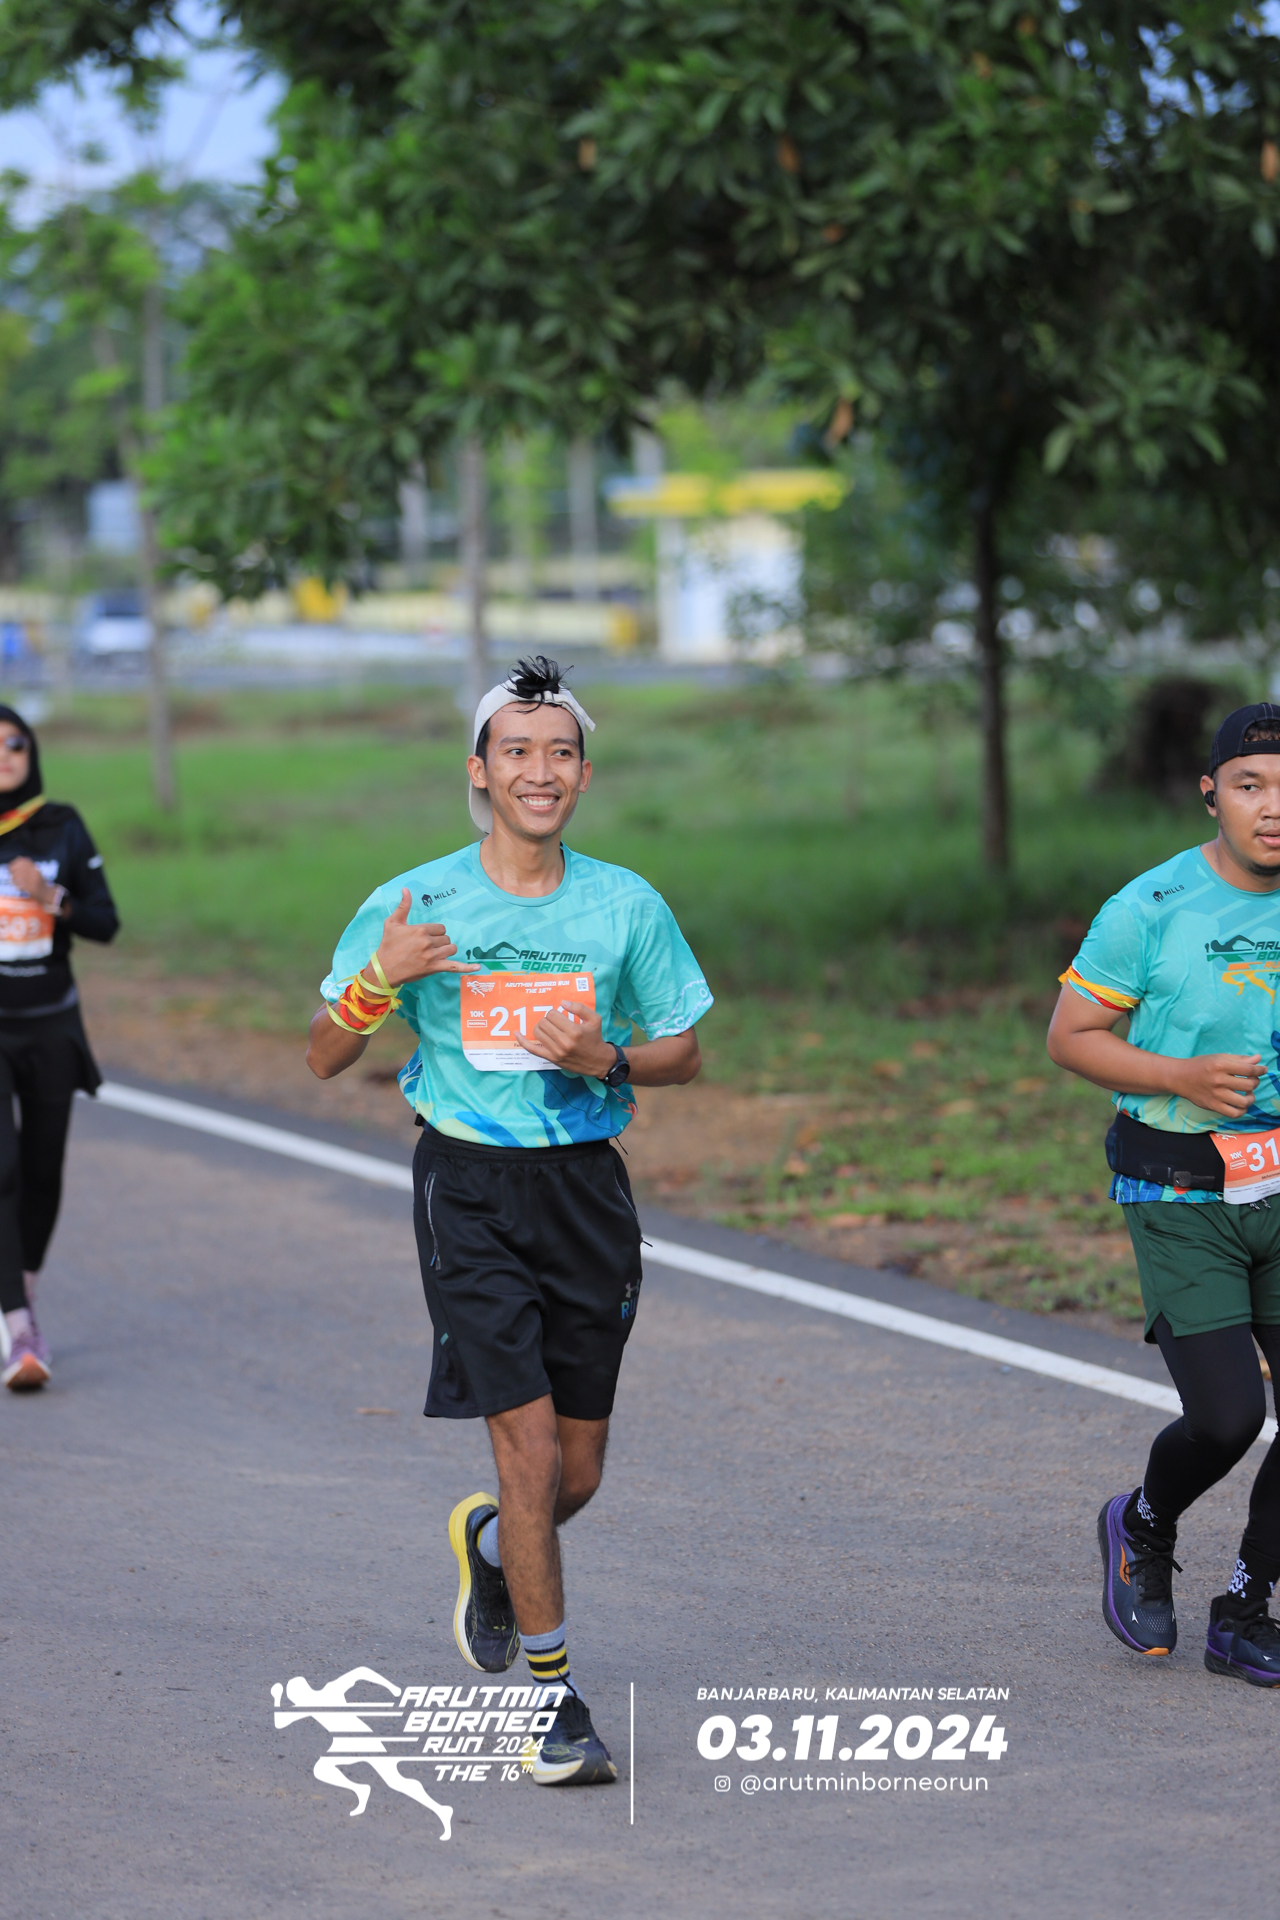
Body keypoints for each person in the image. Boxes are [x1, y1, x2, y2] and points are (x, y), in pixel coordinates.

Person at [306, 656, 712, 1782]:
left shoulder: (624, 903)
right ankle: (552, 1701)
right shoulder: (415, 902)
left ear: (583, 774)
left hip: (585, 1193)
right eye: (517, 751)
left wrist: (604, 1057)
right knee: (526, 1453)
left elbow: (684, 1050)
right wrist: (377, 978)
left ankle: (490, 1546)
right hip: (469, 1190)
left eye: (561, 752)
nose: (541, 771)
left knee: (574, 1474)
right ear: (478, 772)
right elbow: (324, 1054)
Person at [1046, 701, 1280, 1687]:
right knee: (1226, 1420)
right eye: (1251, 785)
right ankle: (1143, 1524)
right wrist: (1179, 1077)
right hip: (1179, 1191)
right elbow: (1069, 1038)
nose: (1272, 808)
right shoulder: (1149, 908)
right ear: (1210, 794)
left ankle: (1245, 1610)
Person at [0, 704, 118, 1391]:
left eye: (16, 742)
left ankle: (20, 1294)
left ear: (32, 751)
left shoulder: (61, 825)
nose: (5, 754)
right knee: (3, 1168)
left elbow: (105, 922)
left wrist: (51, 895)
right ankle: (20, 1330)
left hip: (51, 1025)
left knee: (43, 1171)